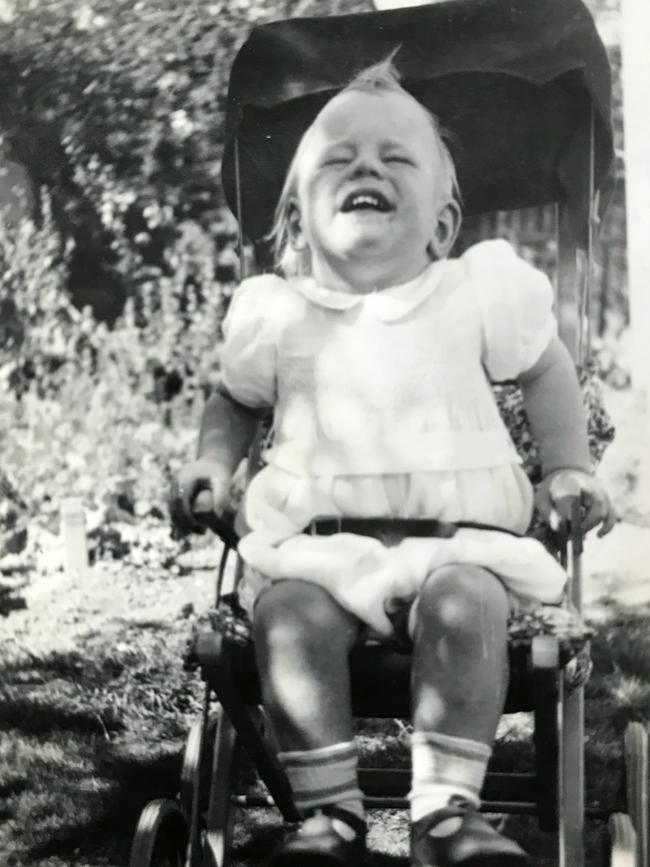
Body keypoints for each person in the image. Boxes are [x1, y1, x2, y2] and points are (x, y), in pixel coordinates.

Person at [172, 60, 615, 867]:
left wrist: (567, 470)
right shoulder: (278, 313)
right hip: (319, 550)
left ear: (443, 225)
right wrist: (212, 461)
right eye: (337, 160)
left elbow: (548, 367)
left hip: (461, 544)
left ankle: (447, 812)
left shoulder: (474, 290)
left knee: (468, 606)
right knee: (287, 617)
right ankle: (329, 815)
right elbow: (234, 400)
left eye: (393, 158)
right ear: (300, 223)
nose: (364, 167)